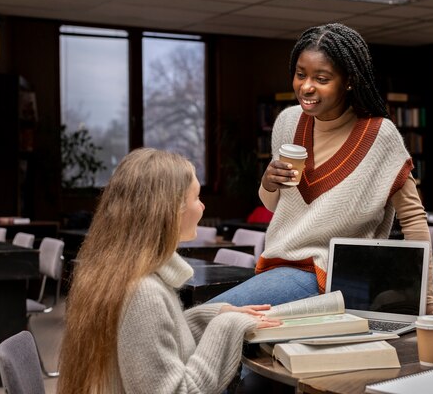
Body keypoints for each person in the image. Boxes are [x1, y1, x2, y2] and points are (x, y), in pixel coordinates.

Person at [210, 23, 433, 330]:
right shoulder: (287, 122)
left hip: (332, 277)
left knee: (210, 319)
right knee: (227, 332)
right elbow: (276, 206)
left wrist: (427, 300)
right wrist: (267, 183)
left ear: (349, 81)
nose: (306, 86)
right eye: (301, 74)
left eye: (321, 78)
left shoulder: (380, 135)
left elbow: (413, 219)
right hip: (278, 267)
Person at [57, 148, 280, 394]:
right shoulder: (144, 294)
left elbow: (149, 341)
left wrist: (213, 315)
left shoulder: (118, 271)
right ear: (170, 210)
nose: (203, 206)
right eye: (196, 197)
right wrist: (226, 326)